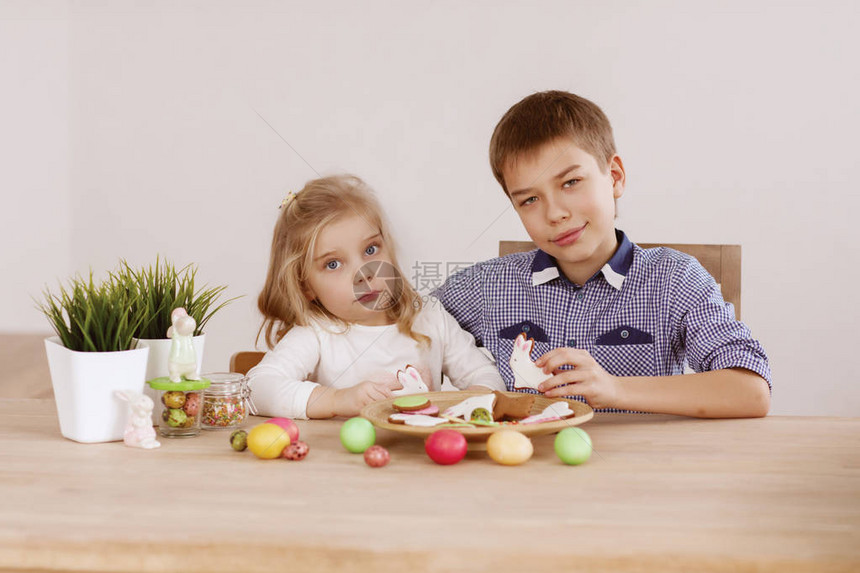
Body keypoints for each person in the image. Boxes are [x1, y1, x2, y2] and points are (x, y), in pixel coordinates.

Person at [433, 90, 771, 418]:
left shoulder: (674, 279)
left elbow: (750, 392)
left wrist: (614, 388)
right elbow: (400, 321)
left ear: (614, 177)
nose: (555, 213)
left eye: (570, 182)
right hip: (524, 469)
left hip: (640, 467)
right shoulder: (487, 286)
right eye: (529, 200)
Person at [247, 174, 506, 420]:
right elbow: (257, 388)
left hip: (424, 462)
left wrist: (475, 400)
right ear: (306, 287)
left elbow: (484, 374)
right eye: (334, 264)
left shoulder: (429, 315)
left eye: (371, 249)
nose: (364, 274)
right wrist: (337, 400)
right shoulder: (317, 333)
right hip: (343, 463)